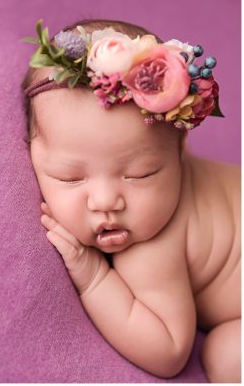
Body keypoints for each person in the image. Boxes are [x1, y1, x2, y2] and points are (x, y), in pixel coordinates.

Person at [22, 20, 240, 382]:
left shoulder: (151, 247)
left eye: (141, 175)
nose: (106, 201)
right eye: (71, 177)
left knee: (227, 354)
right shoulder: (157, 178)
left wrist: (94, 278)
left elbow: (169, 351)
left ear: (179, 152)